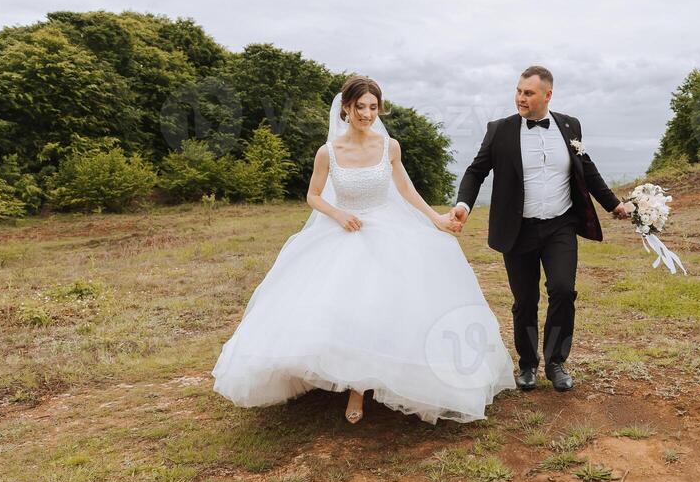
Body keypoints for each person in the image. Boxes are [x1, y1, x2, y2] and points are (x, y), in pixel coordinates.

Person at [212, 76, 516, 424]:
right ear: (346, 108)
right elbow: (312, 195)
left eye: (373, 107)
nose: (368, 114)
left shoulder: (390, 147)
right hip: (344, 228)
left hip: (388, 228)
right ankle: (345, 377)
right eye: (361, 107)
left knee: (388, 304)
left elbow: (405, 188)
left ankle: (362, 387)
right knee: (342, 305)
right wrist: (338, 213)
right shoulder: (329, 152)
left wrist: (435, 219)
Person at [450, 66, 632, 393]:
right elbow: (475, 172)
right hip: (517, 229)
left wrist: (613, 204)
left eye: (528, 93)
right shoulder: (500, 130)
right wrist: (463, 204)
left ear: (547, 95)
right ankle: (528, 364)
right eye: (519, 91)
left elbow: (586, 170)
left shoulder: (569, 126)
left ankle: (556, 362)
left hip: (560, 225)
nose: (521, 97)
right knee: (525, 300)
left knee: (563, 290)